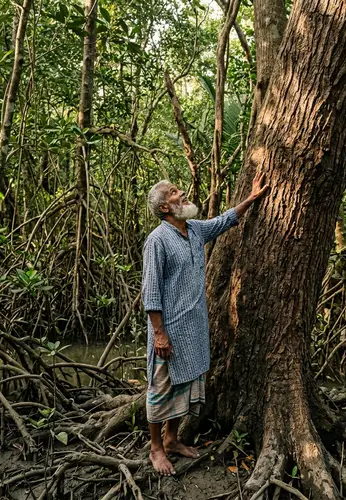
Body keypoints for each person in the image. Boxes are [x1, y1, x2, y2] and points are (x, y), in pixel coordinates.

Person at [142, 173, 269, 475]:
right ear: (164, 208)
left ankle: (172, 440)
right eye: (174, 192)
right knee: (161, 389)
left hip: (194, 330)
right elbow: (150, 291)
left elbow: (224, 221)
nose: (182, 193)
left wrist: (251, 199)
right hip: (169, 331)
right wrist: (159, 334)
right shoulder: (157, 240)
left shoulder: (195, 230)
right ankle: (156, 448)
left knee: (184, 385)